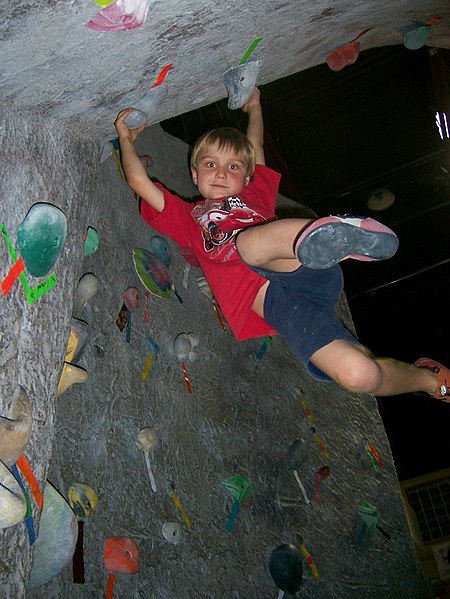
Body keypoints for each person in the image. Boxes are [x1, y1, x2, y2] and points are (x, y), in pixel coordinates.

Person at [114, 88, 449, 403]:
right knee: (359, 374)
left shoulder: (253, 195)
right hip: (283, 307)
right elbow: (139, 181)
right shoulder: (188, 218)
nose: (220, 172)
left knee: (249, 245)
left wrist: (255, 107)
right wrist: (126, 140)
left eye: (233, 167)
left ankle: (333, 236)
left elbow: (255, 148)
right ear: (194, 174)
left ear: (247, 178)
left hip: (299, 267)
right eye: (210, 164)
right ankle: (430, 381)